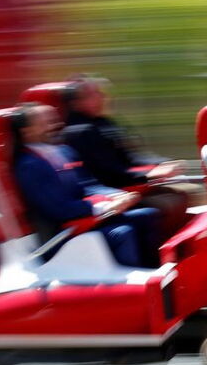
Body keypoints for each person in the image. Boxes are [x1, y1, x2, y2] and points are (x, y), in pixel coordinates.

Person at [11, 103, 162, 268]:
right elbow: (59, 209)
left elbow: (88, 184)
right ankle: (129, 282)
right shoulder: (29, 165)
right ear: (26, 132)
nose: (53, 127)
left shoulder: (64, 152)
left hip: (84, 221)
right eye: (44, 124)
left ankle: (154, 271)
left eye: (53, 121)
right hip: (61, 235)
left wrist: (116, 195)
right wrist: (105, 206)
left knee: (148, 215)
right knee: (122, 233)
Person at [61, 75, 191, 237]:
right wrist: (148, 175)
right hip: (111, 191)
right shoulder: (79, 132)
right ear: (75, 103)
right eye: (93, 94)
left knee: (183, 193)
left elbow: (132, 157)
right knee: (171, 202)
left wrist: (162, 164)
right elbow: (109, 172)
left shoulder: (103, 123)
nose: (102, 97)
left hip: (128, 184)